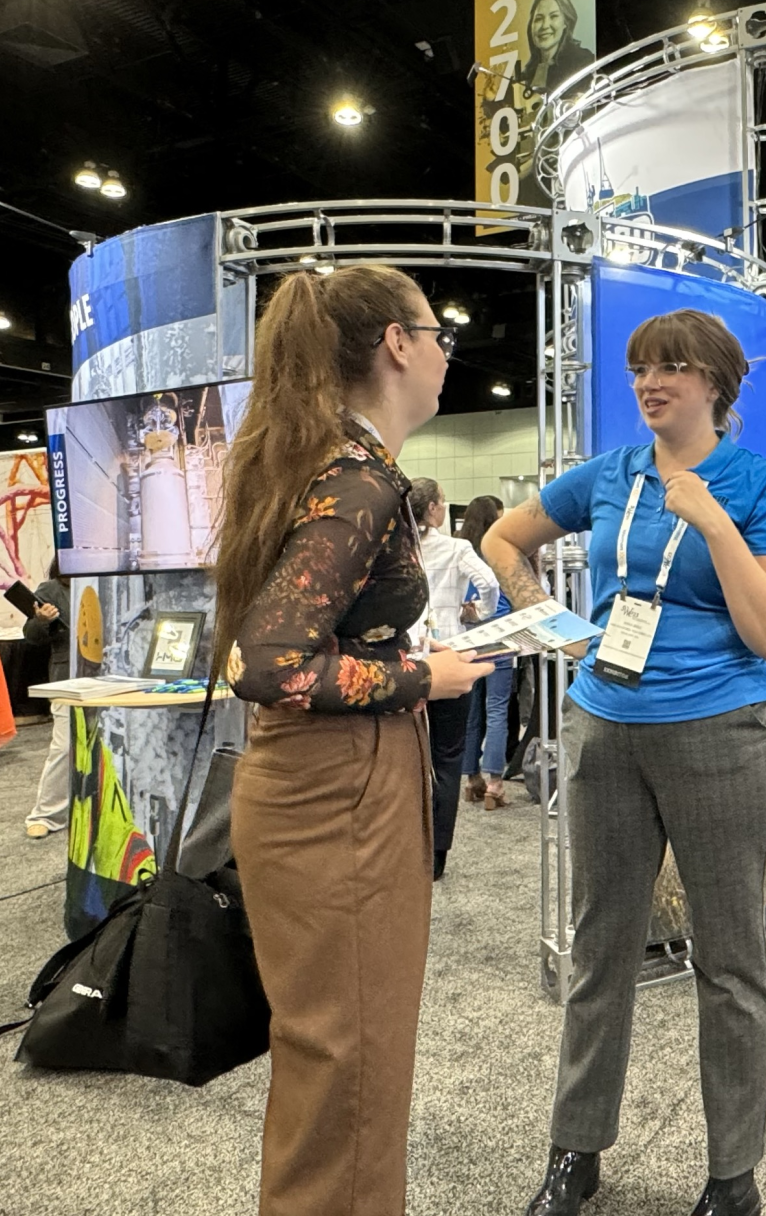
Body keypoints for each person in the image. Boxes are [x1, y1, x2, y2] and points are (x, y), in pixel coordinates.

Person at [483, 308, 766, 1216]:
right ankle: (574, 1151)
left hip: (720, 734)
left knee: (731, 957)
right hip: (604, 729)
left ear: (716, 383)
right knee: (601, 947)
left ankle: (733, 1174)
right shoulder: (611, 474)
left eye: (670, 367)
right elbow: (504, 539)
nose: (648, 382)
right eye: (639, 368)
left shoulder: (756, 484)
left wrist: (712, 523)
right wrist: (552, 625)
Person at [215, 264, 492, 1216]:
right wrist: (427, 677)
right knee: (354, 1067)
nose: (445, 355)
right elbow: (270, 663)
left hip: (323, 781)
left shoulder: (315, 459)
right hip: (339, 790)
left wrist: (400, 655)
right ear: (397, 344)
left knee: (334, 1062)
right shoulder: (359, 477)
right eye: (436, 334)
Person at [409, 476, 499, 869]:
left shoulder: (399, 546)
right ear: (433, 509)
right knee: (447, 757)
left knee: (408, 758)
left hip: (409, 657)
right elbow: (489, 583)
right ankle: (437, 855)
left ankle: (409, 848)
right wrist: (479, 612)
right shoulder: (457, 547)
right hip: (452, 655)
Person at [459, 494, 516, 807]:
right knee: (497, 708)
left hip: (466, 631)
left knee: (471, 709)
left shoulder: (459, 548)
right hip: (499, 632)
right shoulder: (499, 549)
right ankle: (495, 783)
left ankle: (471, 779)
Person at [23, 557, 72, 836]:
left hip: (115, 674)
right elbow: (30, 634)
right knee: (64, 747)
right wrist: (42, 620)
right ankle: (46, 815)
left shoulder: (111, 582)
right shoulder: (52, 589)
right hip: (68, 678)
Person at [522, 0, 595, 95]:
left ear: (566, 22)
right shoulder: (528, 72)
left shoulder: (583, 62)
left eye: (554, 16)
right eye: (538, 18)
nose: (545, 25)